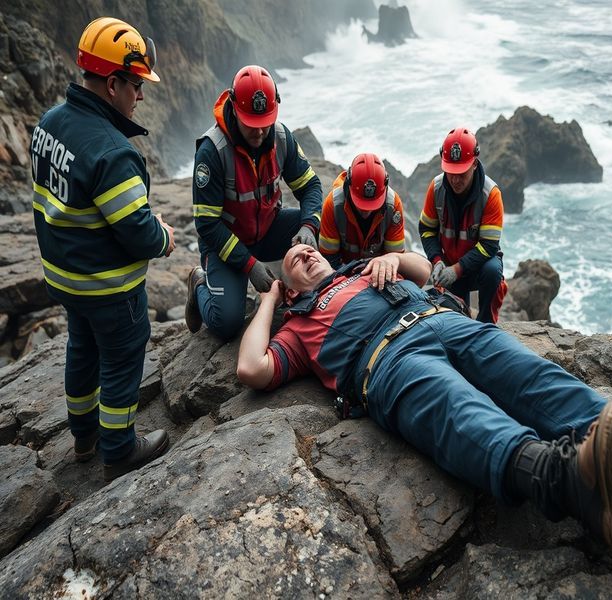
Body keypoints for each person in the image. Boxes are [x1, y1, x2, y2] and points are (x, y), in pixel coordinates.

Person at [236, 244, 612, 552]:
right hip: (388, 362)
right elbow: (251, 368)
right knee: (460, 410)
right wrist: (270, 302)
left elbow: (427, 272)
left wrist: (393, 256)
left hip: (443, 321)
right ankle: (571, 481)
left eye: (310, 249)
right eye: (295, 259)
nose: (305, 253)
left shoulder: (364, 269)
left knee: (533, 376)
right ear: (290, 287)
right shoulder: (298, 328)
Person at [30, 17, 174, 481]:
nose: (141, 95)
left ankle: (84, 436)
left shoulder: (50, 123)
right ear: (112, 84)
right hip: (108, 288)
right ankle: (119, 448)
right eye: (136, 84)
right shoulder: (113, 153)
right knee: (122, 355)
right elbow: (139, 231)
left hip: (66, 279)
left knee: (82, 348)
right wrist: (166, 236)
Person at [185, 64, 323, 341]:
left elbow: (310, 186)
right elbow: (207, 225)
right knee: (227, 324)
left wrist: (308, 226)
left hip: (269, 228)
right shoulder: (213, 152)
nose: (259, 133)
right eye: (251, 125)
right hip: (226, 243)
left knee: (326, 227)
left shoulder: (282, 138)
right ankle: (199, 282)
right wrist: (249, 265)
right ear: (234, 108)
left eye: (265, 123)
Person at [418, 127, 508, 323]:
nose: (456, 179)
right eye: (451, 172)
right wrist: (437, 260)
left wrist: (457, 270)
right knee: (454, 321)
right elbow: (426, 230)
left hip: (477, 268)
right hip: (449, 265)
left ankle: (487, 326)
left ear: (474, 163)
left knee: (493, 271)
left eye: (461, 172)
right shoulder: (436, 189)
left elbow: (489, 245)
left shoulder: (490, 194)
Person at [318, 153, 405, 268]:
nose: (366, 212)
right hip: (342, 271)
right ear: (348, 184)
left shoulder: (393, 206)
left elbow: (395, 259)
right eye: (361, 205)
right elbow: (329, 260)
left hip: (379, 271)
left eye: (373, 205)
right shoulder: (333, 206)